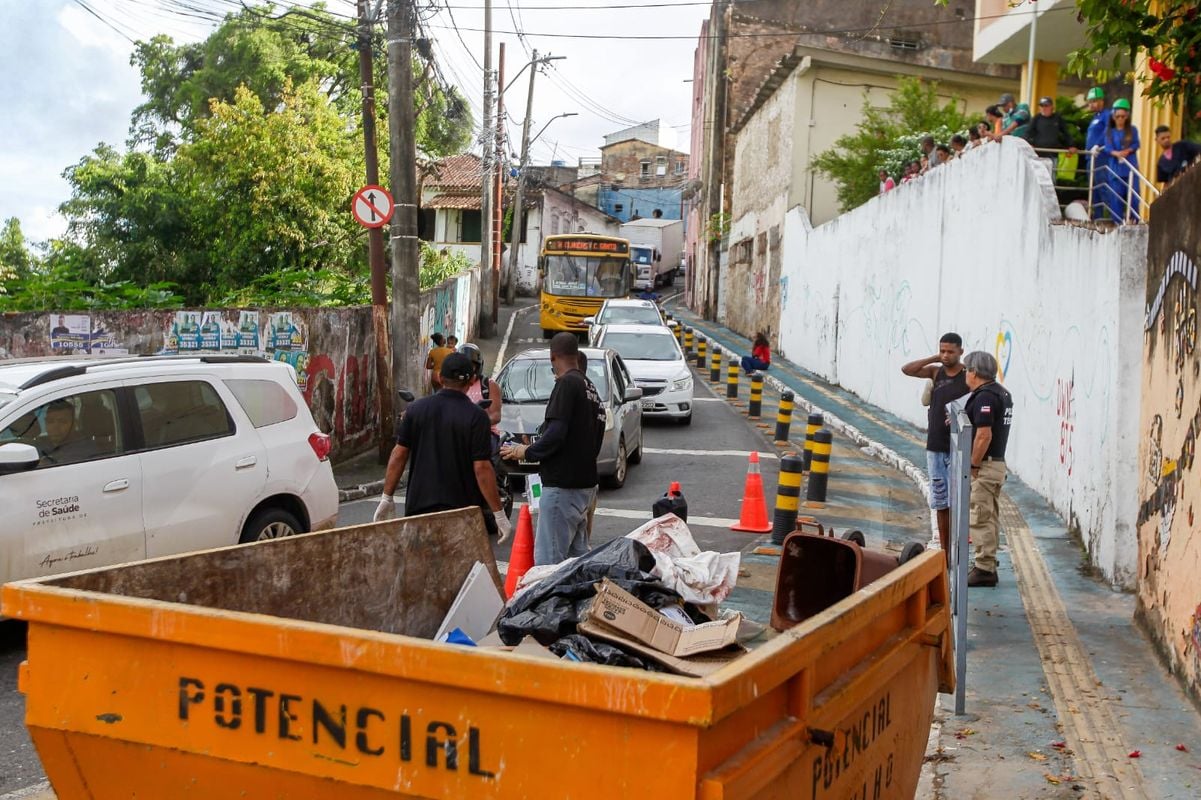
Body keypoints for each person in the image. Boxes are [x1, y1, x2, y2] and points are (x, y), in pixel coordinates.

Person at [374, 353, 512, 542]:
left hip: (419, 509)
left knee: (421, 567)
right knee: (460, 570)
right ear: (471, 381)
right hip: (461, 513)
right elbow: (482, 468)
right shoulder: (477, 416)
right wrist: (499, 513)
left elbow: (399, 454)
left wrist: (387, 497)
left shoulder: (416, 410)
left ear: (440, 378)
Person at [500, 333, 604, 565]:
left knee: (549, 565)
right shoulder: (591, 390)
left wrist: (525, 451)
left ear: (553, 357)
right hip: (584, 488)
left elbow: (556, 433)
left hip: (562, 488)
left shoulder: (566, 384)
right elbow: (593, 441)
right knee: (575, 565)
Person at [901, 334, 969, 554]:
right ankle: (945, 553)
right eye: (942, 351)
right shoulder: (935, 372)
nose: (946, 355)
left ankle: (959, 551)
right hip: (935, 446)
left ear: (961, 351)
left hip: (959, 446)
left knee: (959, 502)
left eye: (950, 351)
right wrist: (934, 358)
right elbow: (907, 370)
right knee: (941, 502)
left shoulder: (968, 376)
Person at [962, 351, 1013, 588]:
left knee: (980, 516)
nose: (965, 374)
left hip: (986, 464)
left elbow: (983, 434)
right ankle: (988, 563)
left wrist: (973, 464)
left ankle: (984, 569)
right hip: (997, 463)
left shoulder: (985, 397)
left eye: (966, 370)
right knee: (989, 516)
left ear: (974, 371)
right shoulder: (1001, 392)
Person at [1101, 99, 1142, 221]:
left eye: (1123, 116)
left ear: (1127, 116)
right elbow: (1107, 148)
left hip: (1130, 168)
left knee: (1134, 197)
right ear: (1113, 117)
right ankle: (1117, 223)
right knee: (1116, 198)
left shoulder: (1132, 130)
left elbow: (1136, 144)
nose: (1120, 119)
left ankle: (1135, 221)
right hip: (1116, 169)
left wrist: (1127, 151)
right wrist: (1117, 153)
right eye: (1117, 116)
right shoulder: (1109, 132)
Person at [459, 342, 502, 449]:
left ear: (477, 366)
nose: (467, 369)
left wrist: (474, 423)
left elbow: (496, 416)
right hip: (460, 433)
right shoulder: (455, 385)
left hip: (485, 433)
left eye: (471, 366)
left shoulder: (489, 385)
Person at [36, 400, 98, 466]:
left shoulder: (85, 450)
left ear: (74, 424)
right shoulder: (40, 445)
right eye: (50, 421)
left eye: (62, 422)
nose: (55, 427)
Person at [1084, 87, 1112, 220]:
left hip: (1101, 157)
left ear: (1101, 101)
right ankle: (1098, 217)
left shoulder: (1107, 115)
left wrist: (1099, 144)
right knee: (1094, 190)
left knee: (1103, 187)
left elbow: (1108, 131)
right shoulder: (1095, 117)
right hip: (1091, 157)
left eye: (1093, 101)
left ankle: (1113, 216)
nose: (1090, 104)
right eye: (1089, 102)